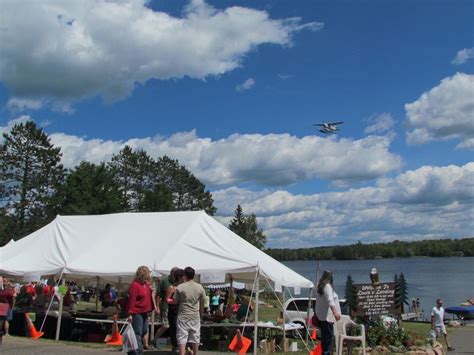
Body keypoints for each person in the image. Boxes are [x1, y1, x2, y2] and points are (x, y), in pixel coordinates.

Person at [173, 266, 206, 355]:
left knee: (182, 337)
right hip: (195, 315)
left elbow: (175, 301)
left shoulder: (180, 287)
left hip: (183, 315)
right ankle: (195, 353)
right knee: (195, 336)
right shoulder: (199, 287)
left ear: (184, 275)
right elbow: (203, 301)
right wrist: (201, 313)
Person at [127, 266, 158, 355]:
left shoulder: (146, 285)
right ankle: (138, 351)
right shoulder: (135, 285)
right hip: (137, 312)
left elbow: (149, 296)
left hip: (145, 312)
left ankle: (135, 349)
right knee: (138, 332)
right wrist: (130, 314)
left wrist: (152, 292)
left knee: (144, 330)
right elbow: (132, 300)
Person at [314, 270, 341, 355]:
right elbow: (330, 300)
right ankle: (327, 353)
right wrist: (335, 312)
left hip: (321, 316)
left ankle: (325, 352)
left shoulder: (319, 286)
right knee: (329, 336)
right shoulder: (327, 286)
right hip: (327, 317)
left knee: (325, 336)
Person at [154, 267, 178, 343]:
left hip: (175, 309)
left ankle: (174, 344)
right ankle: (154, 341)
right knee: (165, 325)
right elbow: (158, 295)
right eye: (175, 273)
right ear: (171, 273)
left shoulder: (179, 282)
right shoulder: (164, 281)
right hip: (166, 307)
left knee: (174, 326)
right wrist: (157, 307)